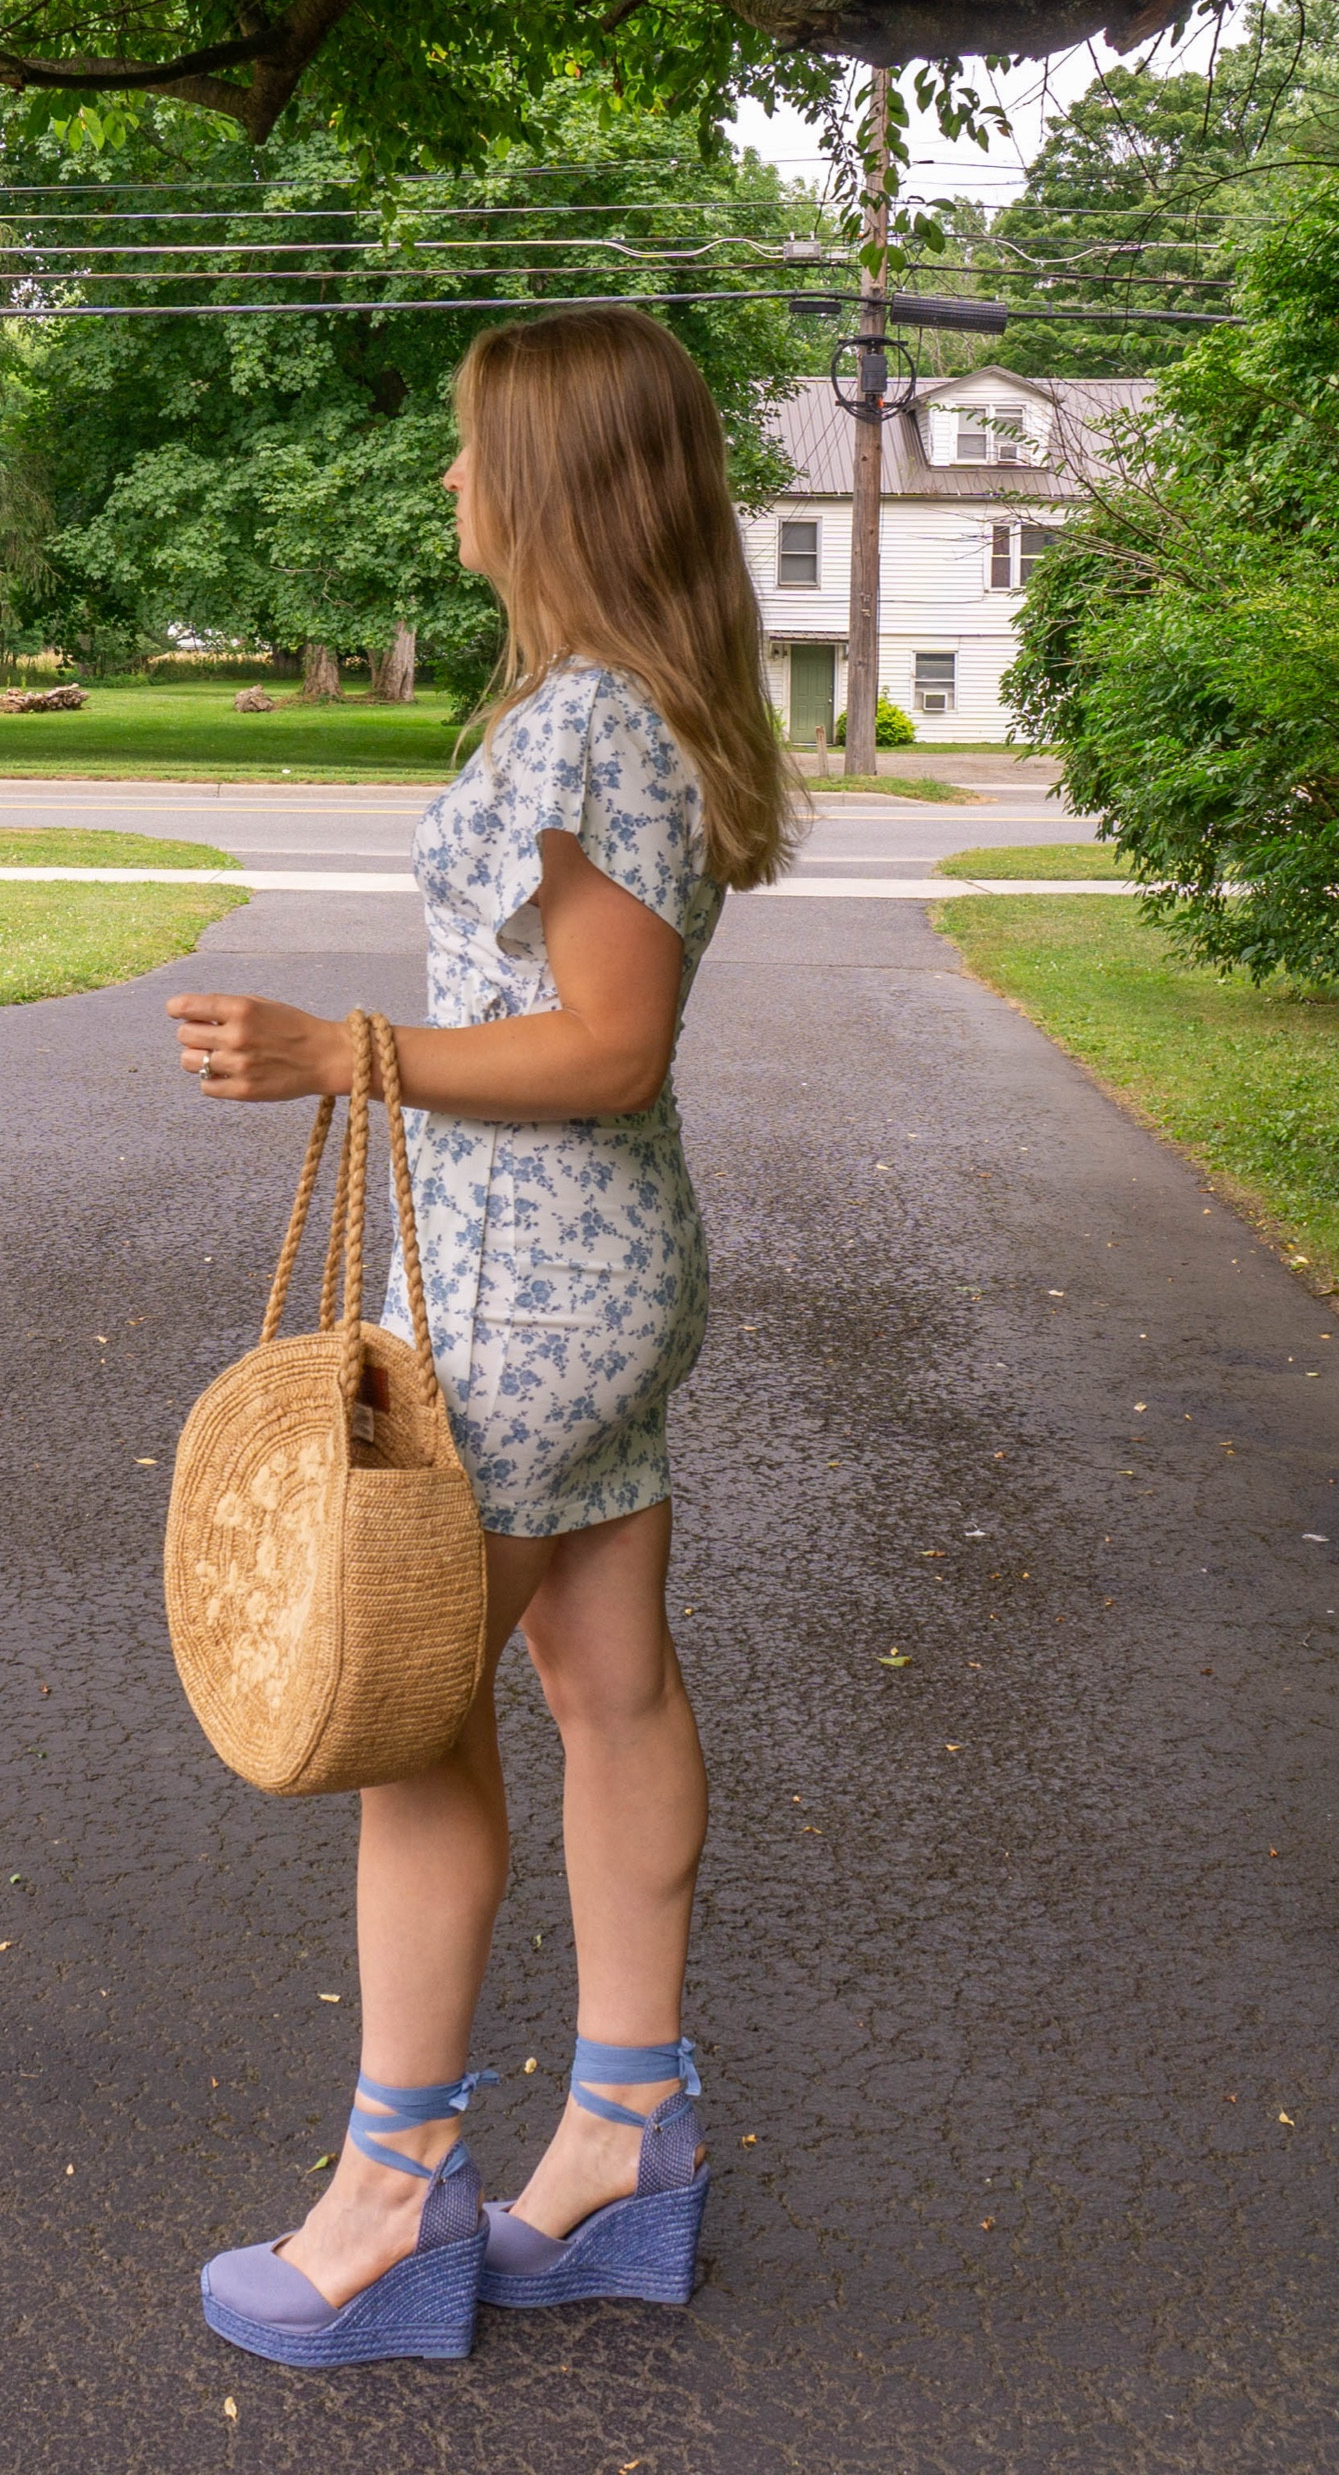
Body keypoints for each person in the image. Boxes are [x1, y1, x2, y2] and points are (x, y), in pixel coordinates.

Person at [167, 304, 795, 2365]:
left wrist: (340, 1049)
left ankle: (391, 2201)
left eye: (466, 448)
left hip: (530, 1288)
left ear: (551, 479)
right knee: (603, 1686)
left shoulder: (596, 722)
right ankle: (622, 2144)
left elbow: (610, 1047)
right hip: (563, 1277)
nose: (444, 479)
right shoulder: (615, 707)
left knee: (416, 1722)